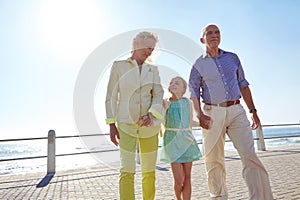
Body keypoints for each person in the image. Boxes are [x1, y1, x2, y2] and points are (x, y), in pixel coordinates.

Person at [188, 23, 273, 200]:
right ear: (202, 39)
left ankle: (262, 197)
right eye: (209, 33)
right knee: (213, 159)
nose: (214, 35)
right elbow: (194, 92)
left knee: (249, 154)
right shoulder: (198, 64)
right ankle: (218, 196)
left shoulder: (233, 58)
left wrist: (253, 111)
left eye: (217, 32)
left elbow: (243, 84)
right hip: (212, 112)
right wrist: (199, 114)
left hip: (236, 110)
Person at [105, 31, 164, 200]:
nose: (150, 51)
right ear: (136, 44)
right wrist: (111, 124)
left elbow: (158, 94)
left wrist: (151, 115)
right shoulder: (118, 66)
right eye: (147, 47)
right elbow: (111, 96)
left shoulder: (153, 70)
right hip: (125, 124)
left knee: (149, 172)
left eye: (152, 49)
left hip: (150, 126)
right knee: (127, 170)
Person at [160, 76, 201, 200]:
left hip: (187, 141)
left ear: (184, 89)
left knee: (187, 177)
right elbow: (161, 120)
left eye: (177, 83)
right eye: (171, 82)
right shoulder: (165, 102)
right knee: (178, 180)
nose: (173, 84)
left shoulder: (187, 102)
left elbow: (189, 122)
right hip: (172, 143)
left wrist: (203, 123)